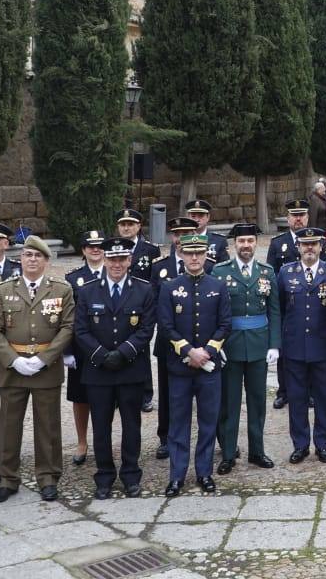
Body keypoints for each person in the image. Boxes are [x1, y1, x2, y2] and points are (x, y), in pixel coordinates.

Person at [0, 235, 75, 502]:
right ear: (20, 259)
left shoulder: (61, 289)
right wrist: (13, 360)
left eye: (38, 256)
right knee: (8, 426)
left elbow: (68, 327)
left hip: (45, 368)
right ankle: (7, 478)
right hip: (13, 368)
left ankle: (48, 477)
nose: (32, 260)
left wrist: (44, 359)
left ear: (47, 261)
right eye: (27, 255)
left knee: (48, 426)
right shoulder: (4, 290)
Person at [74, 236, 156, 499]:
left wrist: (122, 353)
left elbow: (146, 329)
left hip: (130, 368)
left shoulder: (144, 290)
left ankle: (131, 475)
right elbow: (81, 330)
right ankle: (104, 476)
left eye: (122, 259)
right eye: (112, 258)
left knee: (132, 425)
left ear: (130, 260)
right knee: (101, 426)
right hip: (98, 370)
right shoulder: (87, 290)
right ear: (105, 259)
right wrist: (101, 355)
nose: (117, 264)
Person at [158, 233, 230, 496]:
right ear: (182, 254)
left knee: (208, 421)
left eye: (199, 253)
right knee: (179, 422)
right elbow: (165, 326)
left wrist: (207, 351)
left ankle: (204, 472)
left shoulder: (218, 286)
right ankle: (177, 475)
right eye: (190, 253)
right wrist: (189, 351)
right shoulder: (169, 287)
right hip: (180, 367)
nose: (195, 258)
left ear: (206, 255)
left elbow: (225, 324)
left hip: (209, 367)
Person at [213, 223, 280, 474]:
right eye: (241, 241)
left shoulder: (266, 272)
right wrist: (216, 344)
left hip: (259, 345)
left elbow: (274, 311)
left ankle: (257, 451)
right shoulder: (220, 272)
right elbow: (216, 315)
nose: (246, 246)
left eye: (250, 241)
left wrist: (274, 344)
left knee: (257, 401)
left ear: (257, 244)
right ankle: (228, 453)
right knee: (229, 403)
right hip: (230, 346)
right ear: (234, 245)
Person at [279, 227, 326, 464]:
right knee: (297, 397)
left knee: (324, 395)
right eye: (305, 244)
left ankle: (323, 444)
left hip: (323, 344)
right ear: (298, 247)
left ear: (321, 246)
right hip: (294, 346)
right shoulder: (285, 273)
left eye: (314, 244)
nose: (310, 248)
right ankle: (300, 444)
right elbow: (280, 309)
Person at [151, 217, 200, 459]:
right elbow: (153, 307)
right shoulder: (159, 267)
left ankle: (208, 436)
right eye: (178, 234)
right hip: (168, 343)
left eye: (187, 233)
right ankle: (166, 437)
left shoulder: (206, 264)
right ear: (172, 237)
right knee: (168, 392)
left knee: (205, 393)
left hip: (200, 343)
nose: (182, 239)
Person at [64, 230, 109, 467]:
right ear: (83, 250)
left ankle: (106, 441)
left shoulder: (115, 271)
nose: (95, 249)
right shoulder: (73, 279)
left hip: (108, 346)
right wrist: (67, 351)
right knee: (80, 398)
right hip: (82, 349)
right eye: (90, 246)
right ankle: (82, 442)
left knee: (108, 397)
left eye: (100, 245)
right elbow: (67, 318)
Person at [267, 199, 311, 411]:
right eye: (294, 215)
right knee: (284, 348)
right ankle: (284, 391)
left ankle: (309, 391)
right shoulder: (278, 243)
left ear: (307, 217)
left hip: (309, 301)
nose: (298, 219)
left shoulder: (315, 239)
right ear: (288, 218)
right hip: (285, 303)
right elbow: (271, 274)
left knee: (309, 346)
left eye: (302, 214)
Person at [116, 208, 160, 413]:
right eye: (123, 224)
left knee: (141, 348)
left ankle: (145, 394)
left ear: (139, 226)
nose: (126, 227)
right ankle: (118, 392)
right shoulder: (113, 248)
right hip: (118, 305)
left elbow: (155, 279)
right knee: (117, 343)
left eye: (131, 224)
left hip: (143, 306)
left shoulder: (150, 250)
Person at [184, 198, 228, 264]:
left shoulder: (219, 241)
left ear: (208, 217)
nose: (197, 220)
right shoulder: (181, 240)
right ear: (188, 217)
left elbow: (224, 268)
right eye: (193, 216)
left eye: (201, 216)